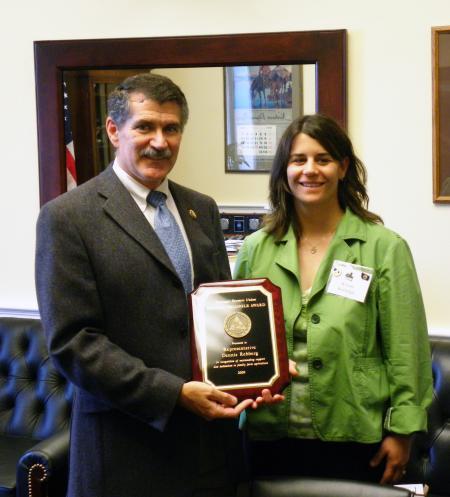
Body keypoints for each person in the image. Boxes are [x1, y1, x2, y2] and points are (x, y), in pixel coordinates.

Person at [35, 73, 280, 497]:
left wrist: (258, 370)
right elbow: (74, 342)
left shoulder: (200, 208)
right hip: (125, 451)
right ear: (114, 131)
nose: (160, 141)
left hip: (209, 450)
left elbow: (221, 310)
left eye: (171, 128)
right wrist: (173, 394)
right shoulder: (68, 217)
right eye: (144, 126)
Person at [234, 113, 433, 485]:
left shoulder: (384, 248)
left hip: (357, 434)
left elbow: (407, 349)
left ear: (342, 168)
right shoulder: (255, 249)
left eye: (323, 159)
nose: (310, 170)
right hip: (269, 434)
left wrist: (403, 431)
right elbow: (240, 338)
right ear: (284, 171)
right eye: (299, 160)